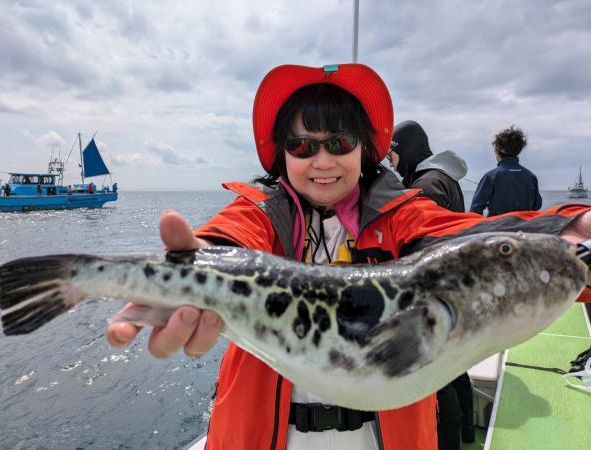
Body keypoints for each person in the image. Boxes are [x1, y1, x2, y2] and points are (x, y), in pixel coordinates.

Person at [106, 64, 591, 450]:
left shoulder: (403, 216)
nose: (322, 161)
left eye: (339, 143)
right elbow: (231, 238)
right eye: (302, 145)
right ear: (282, 154)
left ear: (365, 149)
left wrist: (565, 231)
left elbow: (464, 236)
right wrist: (197, 266)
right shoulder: (262, 212)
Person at [387, 120, 472, 449]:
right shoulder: (445, 177)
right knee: (455, 369)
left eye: (392, 154)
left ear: (405, 149)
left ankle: (449, 439)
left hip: (437, 294)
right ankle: (467, 431)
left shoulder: (427, 185)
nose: (391, 162)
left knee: (438, 380)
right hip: (455, 289)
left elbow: (423, 244)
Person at [387, 120, 467, 212]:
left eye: (390, 156)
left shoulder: (426, 185)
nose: (391, 164)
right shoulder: (439, 177)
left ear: (404, 152)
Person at [470, 126, 542, 216]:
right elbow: (537, 205)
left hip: (497, 224)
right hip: (524, 224)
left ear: (497, 149)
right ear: (518, 150)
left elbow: (475, 208)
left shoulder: (491, 176)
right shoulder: (531, 176)